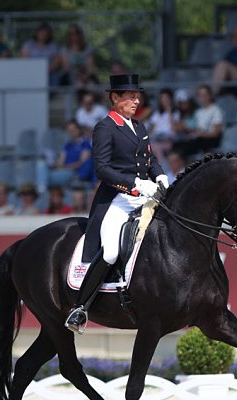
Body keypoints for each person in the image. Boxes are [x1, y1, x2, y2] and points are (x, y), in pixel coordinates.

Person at [65, 73, 168, 333]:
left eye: (138, 96)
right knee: (111, 250)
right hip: (116, 199)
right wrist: (134, 183)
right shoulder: (105, 127)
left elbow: (149, 159)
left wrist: (160, 175)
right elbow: (102, 169)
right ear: (115, 98)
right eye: (131, 96)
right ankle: (80, 308)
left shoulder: (139, 126)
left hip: (144, 196)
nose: (136, 100)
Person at [36, 119, 96, 193]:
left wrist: (66, 166)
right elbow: (60, 161)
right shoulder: (67, 145)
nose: (72, 132)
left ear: (79, 129)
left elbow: (81, 163)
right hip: (63, 170)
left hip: (73, 173)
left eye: (74, 129)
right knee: (41, 163)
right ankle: (42, 187)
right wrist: (57, 165)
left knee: (45, 178)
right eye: (70, 130)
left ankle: (41, 189)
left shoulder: (85, 144)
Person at [173, 85, 224, 156]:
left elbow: (216, 133)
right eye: (200, 95)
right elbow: (197, 129)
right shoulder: (198, 112)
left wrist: (201, 134)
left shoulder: (216, 110)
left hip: (210, 139)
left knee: (187, 147)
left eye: (204, 95)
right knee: (177, 145)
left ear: (210, 95)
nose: (202, 98)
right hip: (199, 138)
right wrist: (187, 129)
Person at [21, 22, 61, 87]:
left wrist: (44, 71)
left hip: (49, 73)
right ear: (36, 33)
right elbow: (25, 61)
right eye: (41, 32)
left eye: (46, 33)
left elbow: (56, 62)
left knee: (54, 77)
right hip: (31, 73)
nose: (44, 35)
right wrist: (36, 71)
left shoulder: (54, 46)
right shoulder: (28, 45)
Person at [148, 88, 179, 164]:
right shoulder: (157, 113)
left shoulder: (176, 113)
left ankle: (160, 169)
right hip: (157, 138)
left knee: (157, 148)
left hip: (169, 139)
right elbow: (152, 130)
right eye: (162, 98)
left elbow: (174, 129)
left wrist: (169, 111)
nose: (165, 100)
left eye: (167, 98)